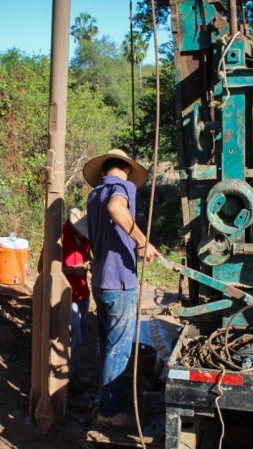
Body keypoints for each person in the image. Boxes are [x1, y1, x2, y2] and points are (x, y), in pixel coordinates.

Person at [83, 149, 160, 428]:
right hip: (120, 282)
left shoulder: (94, 194)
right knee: (119, 349)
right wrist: (141, 240)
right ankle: (110, 411)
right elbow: (116, 208)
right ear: (127, 169)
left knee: (108, 346)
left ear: (104, 170)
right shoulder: (123, 187)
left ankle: (105, 400)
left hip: (100, 282)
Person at [62, 207, 91, 382]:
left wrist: (89, 264)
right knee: (75, 337)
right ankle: (71, 377)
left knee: (82, 334)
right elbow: (44, 268)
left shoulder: (85, 239)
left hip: (82, 292)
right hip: (67, 294)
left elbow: (87, 257)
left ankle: (74, 370)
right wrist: (72, 270)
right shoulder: (60, 238)